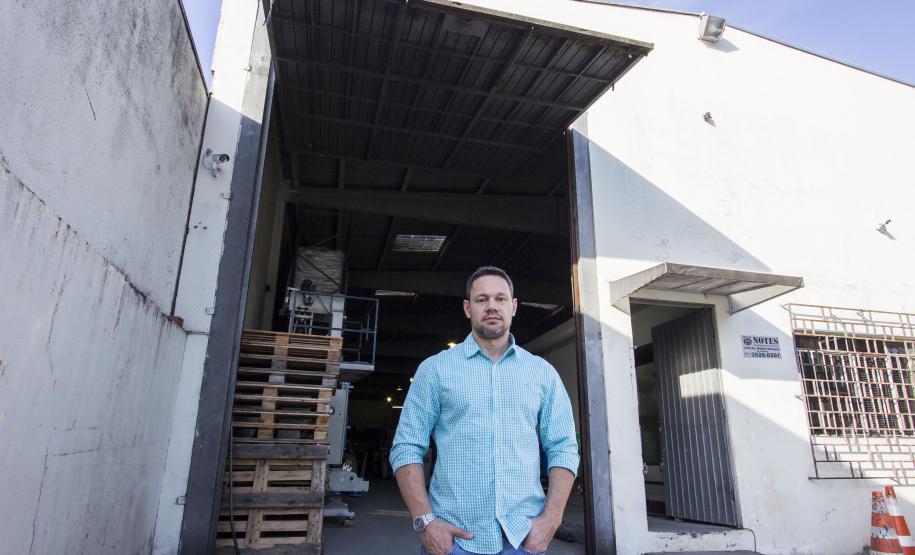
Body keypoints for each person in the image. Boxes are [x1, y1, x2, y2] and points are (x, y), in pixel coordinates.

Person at [390, 266, 579, 555]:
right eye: (482, 299)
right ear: (468, 308)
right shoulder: (435, 370)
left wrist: (551, 521)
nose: (492, 306)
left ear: (513, 307)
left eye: (500, 298)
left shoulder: (542, 374)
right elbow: (406, 447)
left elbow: (564, 447)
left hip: (524, 538)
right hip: (454, 540)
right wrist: (425, 523)